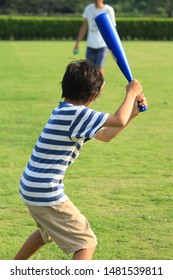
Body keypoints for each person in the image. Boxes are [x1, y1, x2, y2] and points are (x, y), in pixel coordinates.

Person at [14, 59, 148, 260]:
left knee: (46, 233)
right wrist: (131, 92)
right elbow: (117, 119)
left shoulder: (64, 111)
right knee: (86, 242)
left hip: (31, 186)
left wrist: (133, 114)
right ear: (93, 96)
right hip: (45, 190)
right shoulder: (77, 114)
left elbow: (105, 135)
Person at [73, 0, 116, 76]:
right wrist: (77, 44)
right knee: (89, 69)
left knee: (99, 68)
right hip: (90, 44)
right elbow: (84, 27)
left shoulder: (108, 9)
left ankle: (100, 86)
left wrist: (114, 47)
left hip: (103, 44)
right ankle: (91, 87)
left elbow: (112, 29)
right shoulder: (88, 9)